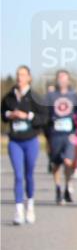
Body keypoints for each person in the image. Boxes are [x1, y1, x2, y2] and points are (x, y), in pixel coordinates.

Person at [3, 66, 48, 225]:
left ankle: (30, 206)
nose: (19, 77)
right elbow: (3, 114)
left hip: (31, 141)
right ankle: (18, 210)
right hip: (15, 141)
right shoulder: (9, 96)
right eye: (17, 75)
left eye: (22, 75)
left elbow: (44, 118)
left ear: (29, 77)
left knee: (29, 174)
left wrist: (27, 115)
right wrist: (10, 114)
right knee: (18, 175)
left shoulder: (35, 97)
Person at [44, 70, 77, 204]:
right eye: (60, 77)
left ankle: (67, 187)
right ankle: (58, 188)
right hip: (55, 134)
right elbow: (45, 115)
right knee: (56, 164)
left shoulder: (74, 95)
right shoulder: (50, 96)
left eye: (64, 78)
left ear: (69, 80)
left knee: (68, 162)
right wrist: (47, 133)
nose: (62, 80)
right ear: (56, 80)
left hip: (69, 134)